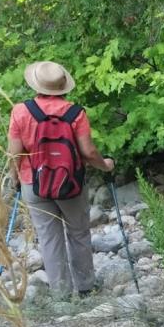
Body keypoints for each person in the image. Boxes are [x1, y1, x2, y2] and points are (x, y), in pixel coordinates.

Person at [7, 61, 114, 296]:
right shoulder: (76, 113)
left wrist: (15, 178)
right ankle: (86, 288)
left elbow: (14, 153)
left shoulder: (20, 112)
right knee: (79, 233)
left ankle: (61, 294)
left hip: (33, 183)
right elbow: (88, 152)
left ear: (36, 85)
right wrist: (105, 165)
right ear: (63, 86)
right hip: (71, 185)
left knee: (48, 238)